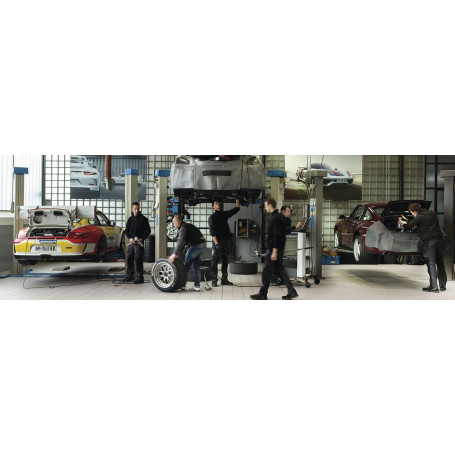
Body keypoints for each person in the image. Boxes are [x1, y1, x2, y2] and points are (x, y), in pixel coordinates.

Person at [251, 197, 299, 300]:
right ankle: (291, 290)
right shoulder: (276, 216)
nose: (265, 208)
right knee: (280, 270)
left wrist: (274, 251)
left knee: (267, 270)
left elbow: (277, 236)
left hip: (274, 249)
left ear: (270, 205)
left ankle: (263, 293)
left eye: (265, 206)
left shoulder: (276, 218)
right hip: (276, 249)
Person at [398, 202, 447, 293]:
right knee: (440, 262)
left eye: (412, 212)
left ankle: (434, 287)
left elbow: (409, 226)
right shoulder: (432, 213)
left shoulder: (419, 217)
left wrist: (402, 224)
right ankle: (442, 285)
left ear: (414, 211)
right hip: (439, 240)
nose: (412, 214)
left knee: (431, 263)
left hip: (429, 242)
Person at [168, 215, 206, 291]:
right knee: (196, 267)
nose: (173, 225)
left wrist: (174, 253)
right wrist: (178, 251)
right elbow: (185, 241)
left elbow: (181, 241)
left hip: (195, 246)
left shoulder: (183, 228)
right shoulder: (187, 226)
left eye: (174, 223)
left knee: (185, 267)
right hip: (202, 245)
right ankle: (197, 286)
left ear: (178, 222)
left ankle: (181, 285)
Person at [208, 199, 240, 287]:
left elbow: (236, 209)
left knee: (225, 261)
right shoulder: (212, 217)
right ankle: (214, 280)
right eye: (216, 203)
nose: (218, 203)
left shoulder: (224, 214)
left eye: (218, 202)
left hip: (225, 241)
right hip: (217, 242)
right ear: (213, 207)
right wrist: (216, 243)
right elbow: (212, 232)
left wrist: (237, 199)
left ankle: (224, 279)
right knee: (214, 261)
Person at [124, 202, 151, 284]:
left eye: (138, 209)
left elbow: (148, 231)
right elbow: (126, 231)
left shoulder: (143, 219)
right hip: (132, 243)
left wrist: (142, 238)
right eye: (135, 209)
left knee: (138, 259)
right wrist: (130, 238)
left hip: (139, 243)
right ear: (132, 209)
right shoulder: (130, 219)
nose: (136, 210)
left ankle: (140, 277)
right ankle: (130, 275)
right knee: (129, 258)